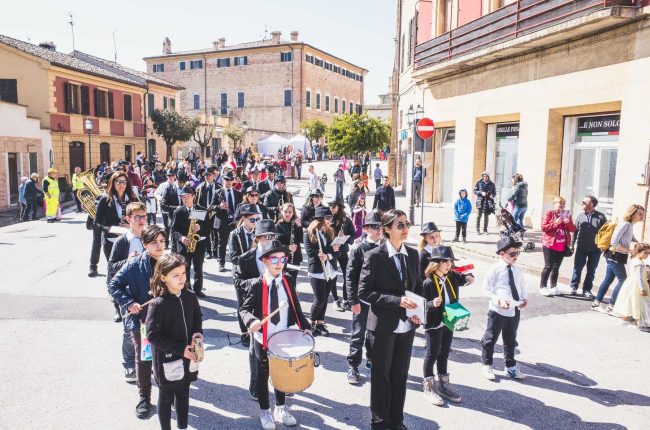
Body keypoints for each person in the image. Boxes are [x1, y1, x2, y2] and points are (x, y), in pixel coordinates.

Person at [358, 209, 423, 430]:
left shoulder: (412, 254)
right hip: (382, 327)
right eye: (400, 225)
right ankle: (379, 423)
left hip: (406, 326)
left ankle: (397, 422)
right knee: (381, 378)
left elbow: (417, 287)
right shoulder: (374, 256)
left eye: (407, 224)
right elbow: (364, 292)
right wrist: (397, 301)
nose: (405, 229)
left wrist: (418, 311)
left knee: (400, 377)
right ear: (387, 229)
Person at [239, 240, 311, 430]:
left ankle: (280, 408)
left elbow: (295, 305)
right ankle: (265, 410)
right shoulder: (256, 284)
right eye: (274, 259)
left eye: (283, 259)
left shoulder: (288, 280)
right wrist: (251, 321)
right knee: (263, 375)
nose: (279, 263)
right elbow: (244, 309)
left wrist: (305, 325)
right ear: (265, 261)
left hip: (283, 336)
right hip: (263, 338)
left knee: (282, 373)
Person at [109, 224, 166, 419]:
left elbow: (182, 285)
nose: (159, 246)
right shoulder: (134, 264)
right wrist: (129, 303)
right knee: (145, 359)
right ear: (144, 244)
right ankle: (144, 397)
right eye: (154, 242)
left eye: (162, 241)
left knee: (166, 357)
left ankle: (168, 392)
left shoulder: (170, 262)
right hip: (143, 322)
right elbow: (114, 285)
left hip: (166, 320)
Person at [146, 253, 203, 430]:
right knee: (166, 397)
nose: (182, 278)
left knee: (184, 393)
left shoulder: (190, 296)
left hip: (188, 356)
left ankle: (182, 426)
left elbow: (197, 318)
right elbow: (152, 335)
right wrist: (180, 348)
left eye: (183, 273)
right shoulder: (158, 304)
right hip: (167, 360)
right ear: (163, 278)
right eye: (175, 275)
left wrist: (198, 333)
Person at [421, 246, 474, 405]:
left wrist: (469, 277)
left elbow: (463, 277)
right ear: (436, 263)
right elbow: (421, 305)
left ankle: (444, 385)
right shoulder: (428, 282)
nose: (448, 264)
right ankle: (429, 387)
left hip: (449, 320)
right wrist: (432, 303)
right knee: (432, 354)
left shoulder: (451, 276)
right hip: (434, 322)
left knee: (444, 353)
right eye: (445, 262)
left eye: (450, 261)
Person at [232, 219, 279, 396]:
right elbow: (238, 281)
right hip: (256, 308)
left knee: (277, 344)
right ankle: (255, 384)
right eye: (266, 236)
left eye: (273, 236)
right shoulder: (245, 258)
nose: (270, 240)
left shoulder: (279, 254)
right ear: (257, 238)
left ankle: (280, 381)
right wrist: (258, 283)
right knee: (255, 348)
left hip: (275, 306)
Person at [107, 202, 147, 382]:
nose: (141, 220)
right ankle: (129, 364)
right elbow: (111, 267)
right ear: (128, 219)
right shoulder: (122, 241)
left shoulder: (149, 238)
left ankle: (145, 362)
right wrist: (127, 261)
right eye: (137, 217)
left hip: (146, 291)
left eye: (144, 216)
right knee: (130, 330)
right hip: (128, 292)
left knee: (146, 329)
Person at [481, 236, 528, 381]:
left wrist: (524, 299)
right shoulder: (495, 269)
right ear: (502, 253)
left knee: (510, 339)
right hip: (497, 310)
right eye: (512, 254)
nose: (515, 256)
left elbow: (521, 286)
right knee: (490, 338)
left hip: (514, 309)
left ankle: (510, 367)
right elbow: (485, 290)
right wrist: (498, 300)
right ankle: (487, 364)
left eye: (517, 253)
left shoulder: (518, 269)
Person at [345, 210, 382, 385]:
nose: (379, 230)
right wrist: (353, 301)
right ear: (366, 229)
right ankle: (353, 366)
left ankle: (372, 359)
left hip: (379, 300)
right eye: (374, 227)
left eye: (380, 226)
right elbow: (350, 277)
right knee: (358, 333)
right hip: (362, 300)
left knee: (375, 334)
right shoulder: (358, 248)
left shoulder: (386, 247)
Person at [594, 204, 645, 312]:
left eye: (642, 214)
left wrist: (639, 243)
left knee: (608, 280)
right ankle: (611, 307)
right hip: (615, 255)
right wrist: (629, 250)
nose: (642, 216)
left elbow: (630, 237)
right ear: (633, 214)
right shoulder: (624, 224)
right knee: (623, 280)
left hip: (618, 256)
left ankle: (596, 303)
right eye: (640, 214)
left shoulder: (630, 225)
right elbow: (614, 242)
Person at [91, 171, 138, 278]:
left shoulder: (133, 199)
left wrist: (131, 225)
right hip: (111, 239)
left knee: (128, 271)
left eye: (124, 182)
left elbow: (142, 219)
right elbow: (96, 223)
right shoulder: (105, 199)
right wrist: (110, 229)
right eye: (118, 182)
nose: (121, 185)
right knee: (114, 272)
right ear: (113, 182)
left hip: (128, 240)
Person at [304, 206, 341, 336]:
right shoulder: (309, 233)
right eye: (328, 218)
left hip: (330, 269)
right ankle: (311, 323)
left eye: (331, 217)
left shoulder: (330, 232)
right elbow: (310, 252)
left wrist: (328, 255)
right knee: (319, 300)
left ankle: (320, 323)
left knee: (325, 299)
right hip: (317, 271)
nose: (331, 220)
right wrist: (329, 251)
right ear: (320, 219)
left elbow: (337, 252)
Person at [171, 185, 209, 298]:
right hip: (184, 245)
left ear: (193, 197)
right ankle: (187, 290)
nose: (185, 199)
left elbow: (208, 227)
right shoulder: (178, 211)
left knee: (198, 268)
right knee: (185, 269)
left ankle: (198, 290)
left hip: (198, 244)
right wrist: (181, 238)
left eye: (188, 196)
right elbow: (173, 230)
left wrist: (200, 228)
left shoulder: (201, 210)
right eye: (183, 197)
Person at [570, 196, 607, 297]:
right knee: (577, 268)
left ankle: (586, 290)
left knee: (591, 271)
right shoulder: (580, 216)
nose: (582, 203)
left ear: (591, 204)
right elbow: (575, 231)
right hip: (581, 247)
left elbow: (606, 233)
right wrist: (572, 245)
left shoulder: (601, 217)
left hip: (596, 249)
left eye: (584, 202)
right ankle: (574, 287)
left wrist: (604, 247)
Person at [540, 196, 576, 296]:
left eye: (563, 203)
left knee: (556, 267)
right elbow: (543, 227)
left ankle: (553, 287)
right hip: (549, 243)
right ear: (554, 204)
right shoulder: (549, 213)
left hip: (561, 244)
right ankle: (543, 287)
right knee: (548, 266)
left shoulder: (566, 215)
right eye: (559, 203)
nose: (561, 205)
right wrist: (555, 223)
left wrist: (568, 223)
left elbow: (573, 229)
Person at [611, 242, 650, 330]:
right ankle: (640, 323)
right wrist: (642, 289)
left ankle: (624, 319)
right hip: (637, 285)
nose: (647, 255)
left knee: (630, 302)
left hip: (630, 283)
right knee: (639, 304)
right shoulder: (640, 264)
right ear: (638, 252)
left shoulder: (635, 260)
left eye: (649, 253)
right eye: (645, 252)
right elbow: (639, 278)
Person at [214, 172, 243, 271]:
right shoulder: (218, 192)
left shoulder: (238, 193)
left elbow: (240, 207)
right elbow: (210, 207)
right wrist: (219, 207)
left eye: (231, 180)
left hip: (235, 222)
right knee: (222, 243)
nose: (229, 182)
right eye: (227, 180)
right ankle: (221, 263)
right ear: (223, 180)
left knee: (237, 243)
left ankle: (237, 263)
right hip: (223, 222)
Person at [275, 202, 303, 290]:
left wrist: (299, 226)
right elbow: (275, 245)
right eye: (285, 211)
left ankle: (293, 296)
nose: (287, 214)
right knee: (284, 282)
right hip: (283, 259)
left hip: (295, 258)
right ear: (281, 212)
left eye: (290, 212)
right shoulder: (277, 226)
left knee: (293, 281)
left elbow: (302, 240)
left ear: (293, 213)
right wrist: (287, 247)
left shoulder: (295, 224)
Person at [195, 167, 220, 258]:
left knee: (216, 233)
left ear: (214, 175)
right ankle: (208, 251)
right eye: (205, 175)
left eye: (209, 175)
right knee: (205, 233)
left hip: (216, 213)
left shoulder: (219, 187)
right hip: (204, 213)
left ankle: (215, 251)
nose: (207, 176)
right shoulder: (200, 187)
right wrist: (197, 217)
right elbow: (197, 203)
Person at [159, 170, 184, 251]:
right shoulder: (168, 189)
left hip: (185, 220)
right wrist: (176, 208)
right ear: (177, 179)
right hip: (174, 219)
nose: (182, 184)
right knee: (174, 244)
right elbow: (163, 206)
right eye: (180, 182)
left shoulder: (187, 188)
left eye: (183, 182)